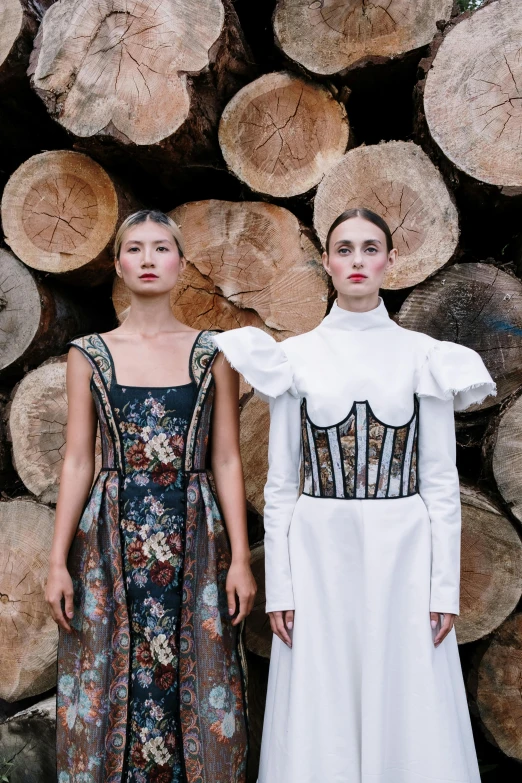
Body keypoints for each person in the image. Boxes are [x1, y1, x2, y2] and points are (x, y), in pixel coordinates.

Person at [213, 207, 495, 783]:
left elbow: (440, 484)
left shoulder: (426, 358)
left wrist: (443, 586)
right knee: (325, 696)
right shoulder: (293, 359)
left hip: (405, 556)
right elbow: (283, 486)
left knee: (407, 692)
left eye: (370, 248)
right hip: (320, 556)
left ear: (390, 262)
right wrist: (282, 587)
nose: (358, 260)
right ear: (327, 262)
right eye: (345, 249)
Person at [45, 209, 255, 783]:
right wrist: (57, 560)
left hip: (195, 533)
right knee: (105, 667)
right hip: (110, 538)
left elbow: (226, 457)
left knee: (203, 667)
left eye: (161, 248)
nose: (147, 259)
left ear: (181, 265)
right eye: (134, 249)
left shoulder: (214, 352)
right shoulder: (88, 353)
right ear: (117, 265)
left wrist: (240, 557)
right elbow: (78, 458)